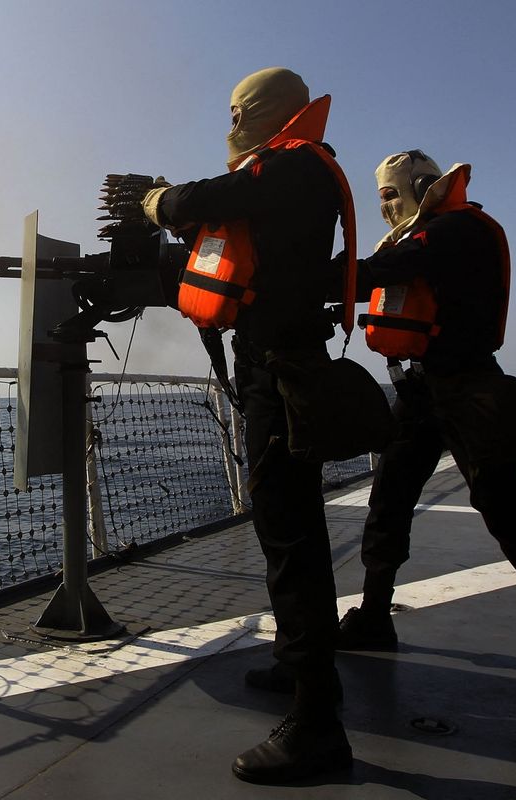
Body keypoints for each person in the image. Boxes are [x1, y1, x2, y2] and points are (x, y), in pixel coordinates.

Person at [140, 67, 355, 784]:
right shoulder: (287, 175)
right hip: (272, 367)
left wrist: (157, 199)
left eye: (240, 112)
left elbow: (201, 200)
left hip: (282, 372)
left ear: (267, 112)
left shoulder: (294, 167)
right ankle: (301, 668)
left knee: (291, 537)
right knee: (287, 530)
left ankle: (316, 727)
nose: (232, 124)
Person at [337, 149, 516, 695]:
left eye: (390, 194)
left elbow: (383, 272)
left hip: (467, 387)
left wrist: (298, 279)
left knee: (506, 508)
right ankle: (375, 614)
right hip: (417, 390)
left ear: (421, 187)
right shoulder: (415, 238)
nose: (384, 206)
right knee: (388, 502)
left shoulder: (457, 230)